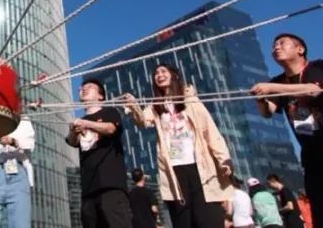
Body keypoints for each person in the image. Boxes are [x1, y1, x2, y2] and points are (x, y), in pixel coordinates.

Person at [124, 63, 233, 228]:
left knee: (207, 218)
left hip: (199, 166)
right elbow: (142, 121)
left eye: (163, 71)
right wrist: (133, 106)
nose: (159, 75)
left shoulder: (190, 100)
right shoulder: (156, 106)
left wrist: (223, 159)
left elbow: (209, 130)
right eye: (156, 73)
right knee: (183, 221)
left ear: (174, 75)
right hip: (173, 168)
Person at [251, 33, 323, 228]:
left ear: (300, 49)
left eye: (282, 43)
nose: (276, 47)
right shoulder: (278, 82)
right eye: (274, 45)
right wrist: (261, 99)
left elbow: (314, 90)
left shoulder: (316, 67)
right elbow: (268, 112)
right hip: (312, 158)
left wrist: (271, 87)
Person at [66, 79, 132, 228]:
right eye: (81, 88)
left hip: (110, 187)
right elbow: (72, 142)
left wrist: (87, 124)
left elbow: (111, 128)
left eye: (89, 87)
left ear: (100, 96)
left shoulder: (109, 112)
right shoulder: (80, 120)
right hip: (88, 190)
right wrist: (73, 130)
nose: (84, 89)